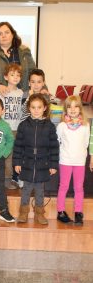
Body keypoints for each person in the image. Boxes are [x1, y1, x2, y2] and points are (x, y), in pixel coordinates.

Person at [13, 93, 59, 225]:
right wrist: (17, 162)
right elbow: (18, 146)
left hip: (42, 164)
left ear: (45, 108)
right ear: (29, 108)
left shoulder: (50, 126)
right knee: (26, 190)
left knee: (40, 190)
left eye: (39, 107)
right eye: (33, 107)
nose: (36, 110)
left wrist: (53, 165)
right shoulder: (23, 125)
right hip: (26, 163)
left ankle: (39, 213)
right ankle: (23, 213)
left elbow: (54, 148)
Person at [56, 96, 90, 225]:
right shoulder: (62, 126)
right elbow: (58, 141)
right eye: (69, 107)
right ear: (65, 110)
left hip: (79, 161)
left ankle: (78, 212)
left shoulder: (85, 126)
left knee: (79, 187)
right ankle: (60, 211)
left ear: (80, 108)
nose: (72, 109)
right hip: (65, 160)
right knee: (63, 186)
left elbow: (86, 142)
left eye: (76, 106)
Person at [0, 21, 36, 97]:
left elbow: (34, 73)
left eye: (7, 32)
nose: (3, 36)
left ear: (13, 35)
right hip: (1, 99)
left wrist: (43, 87)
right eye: (0, 34)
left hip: (23, 97)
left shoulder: (24, 51)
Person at [0, 63, 23, 188]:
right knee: (5, 155)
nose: (16, 77)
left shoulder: (21, 93)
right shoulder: (1, 92)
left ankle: (11, 178)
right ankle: (5, 180)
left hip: (16, 129)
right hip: (5, 129)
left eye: (18, 75)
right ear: (6, 77)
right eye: (12, 75)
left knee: (12, 155)